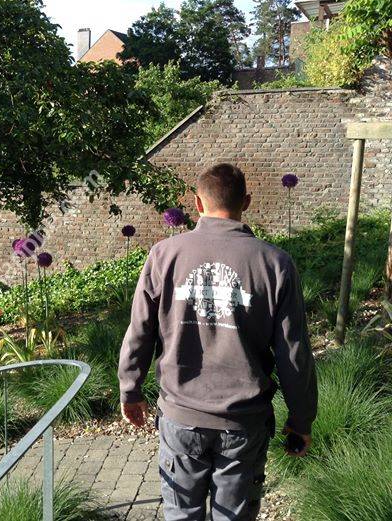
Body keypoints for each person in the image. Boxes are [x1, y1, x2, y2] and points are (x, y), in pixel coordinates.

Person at [118, 163, 317, 521]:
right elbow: (294, 352)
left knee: (181, 514)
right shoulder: (275, 264)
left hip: (180, 416)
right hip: (244, 424)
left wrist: (130, 390)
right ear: (247, 202)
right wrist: (301, 419)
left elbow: (139, 331)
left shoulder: (163, 255)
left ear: (197, 203)